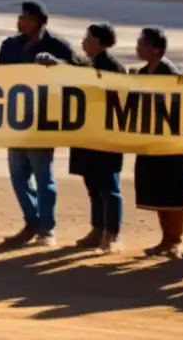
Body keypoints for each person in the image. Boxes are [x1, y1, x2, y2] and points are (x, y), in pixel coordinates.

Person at [0, 0, 80, 248]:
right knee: (18, 176)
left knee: (43, 177)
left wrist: (58, 64)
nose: (19, 21)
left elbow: (82, 70)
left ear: (36, 21)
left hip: (44, 121)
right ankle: (31, 221)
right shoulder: (10, 46)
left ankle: (47, 228)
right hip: (16, 120)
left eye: (24, 17)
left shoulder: (57, 46)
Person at [69, 22, 128, 253]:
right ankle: (97, 229)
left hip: (107, 137)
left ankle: (112, 234)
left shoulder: (113, 68)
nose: (84, 41)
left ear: (100, 42)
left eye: (89, 37)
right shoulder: (84, 65)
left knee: (109, 186)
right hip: (86, 135)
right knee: (92, 184)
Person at [133, 26, 183, 258]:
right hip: (150, 143)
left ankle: (175, 240)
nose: (138, 47)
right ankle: (165, 239)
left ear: (156, 49)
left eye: (142, 43)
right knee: (157, 192)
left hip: (172, 145)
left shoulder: (170, 74)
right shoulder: (142, 73)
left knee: (173, 192)